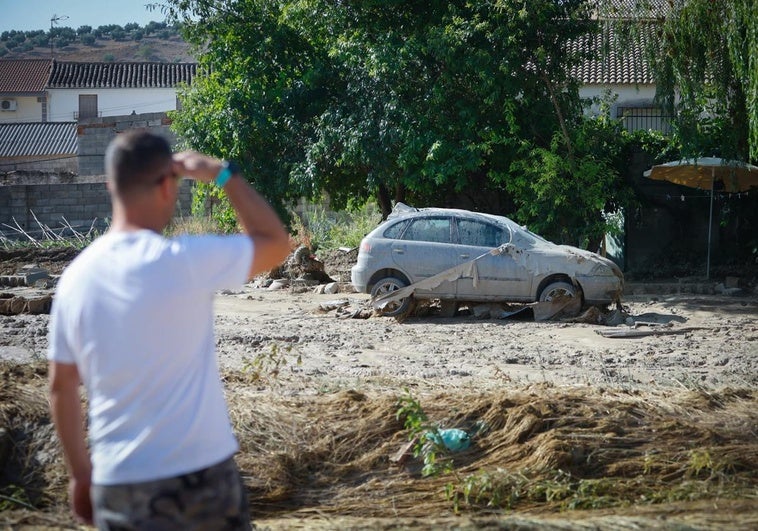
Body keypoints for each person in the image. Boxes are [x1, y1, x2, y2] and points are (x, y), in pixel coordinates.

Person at [47, 129, 290, 529]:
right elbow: (276, 242)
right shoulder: (186, 260)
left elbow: (61, 386)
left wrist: (80, 474)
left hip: (119, 483)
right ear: (166, 185)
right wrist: (221, 174)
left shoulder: (74, 280)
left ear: (111, 186)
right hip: (201, 476)